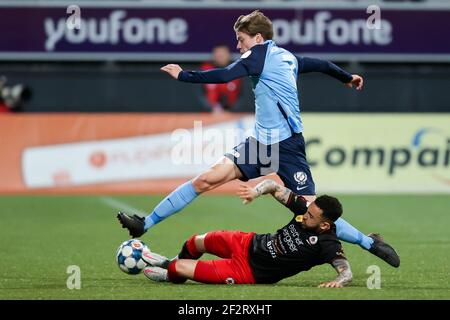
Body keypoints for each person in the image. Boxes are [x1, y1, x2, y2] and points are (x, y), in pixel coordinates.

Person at [118, 10, 399, 268]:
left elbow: (225, 74)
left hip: (288, 147)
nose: (238, 46)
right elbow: (321, 65)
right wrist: (346, 77)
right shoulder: (287, 57)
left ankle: (370, 242)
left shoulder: (257, 56)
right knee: (206, 179)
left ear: (258, 38)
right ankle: (144, 224)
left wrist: (183, 75)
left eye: (241, 40)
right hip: (260, 145)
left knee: (312, 212)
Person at [141, 187, 353, 286]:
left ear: (325, 224)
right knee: (195, 241)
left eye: (311, 216)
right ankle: (170, 265)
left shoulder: (328, 243)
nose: (304, 215)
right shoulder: (304, 210)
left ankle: (169, 270)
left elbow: (346, 271)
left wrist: (339, 281)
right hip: (247, 241)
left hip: (248, 272)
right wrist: (257, 191)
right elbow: (274, 186)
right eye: (307, 211)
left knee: (179, 269)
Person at [199, 44, 242, 112]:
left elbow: (243, 96)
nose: (220, 57)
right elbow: (199, 94)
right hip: (208, 114)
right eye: (218, 54)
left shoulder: (237, 70)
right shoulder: (205, 70)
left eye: (223, 54)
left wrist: (231, 111)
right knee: (197, 122)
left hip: (232, 114)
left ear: (228, 55)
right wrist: (211, 109)